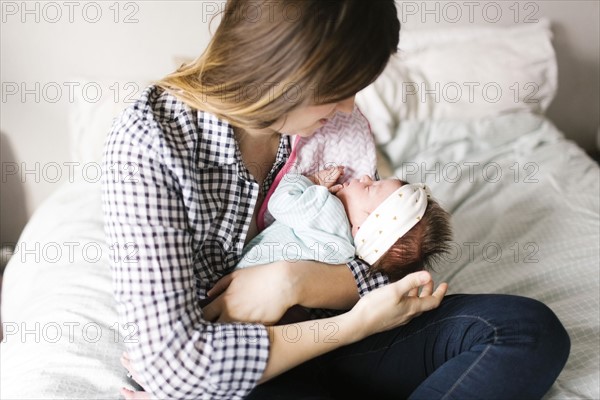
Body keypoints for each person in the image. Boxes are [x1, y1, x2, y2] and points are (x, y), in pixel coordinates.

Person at [103, 1, 570, 399]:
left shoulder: (335, 126)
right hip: (249, 366)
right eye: (339, 87)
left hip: (345, 333)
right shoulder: (150, 145)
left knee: (525, 331)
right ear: (283, 70)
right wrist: (352, 325)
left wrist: (296, 282)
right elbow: (175, 367)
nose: (349, 107)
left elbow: (388, 257)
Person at [237, 167, 453, 285]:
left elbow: (280, 202)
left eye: (370, 188)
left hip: (246, 277)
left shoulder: (326, 209)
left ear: (361, 228)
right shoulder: (345, 257)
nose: (367, 177)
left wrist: (311, 182)